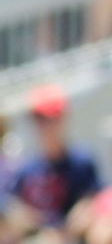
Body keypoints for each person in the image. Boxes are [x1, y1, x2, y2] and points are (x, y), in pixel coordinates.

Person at [10, 85, 100, 228]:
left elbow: (95, 198)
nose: (46, 126)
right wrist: (39, 226)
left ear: (63, 118)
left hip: (78, 241)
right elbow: (14, 207)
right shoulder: (25, 170)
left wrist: (77, 221)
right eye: (39, 119)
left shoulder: (82, 162)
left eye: (51, 118)